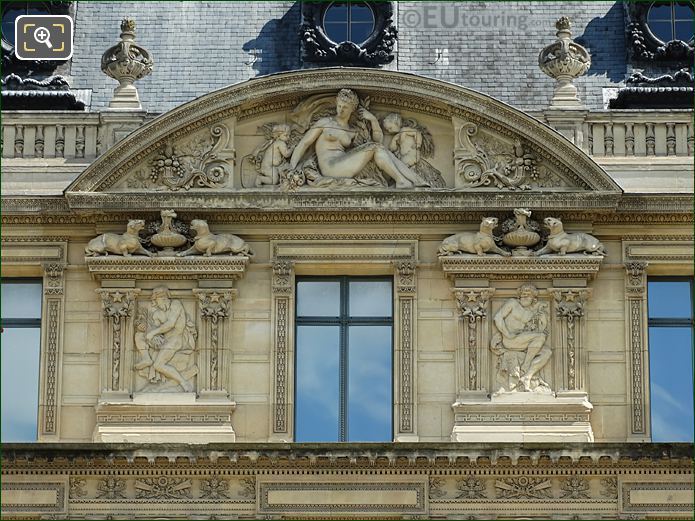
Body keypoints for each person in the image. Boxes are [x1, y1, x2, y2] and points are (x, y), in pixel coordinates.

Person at [289, 89, 427, 188]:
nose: (340, 110)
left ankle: (409, 179)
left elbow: (379, 146)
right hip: (330, 167)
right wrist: (291, 168)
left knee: (377, 148)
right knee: (374, 148)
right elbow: (303, 144)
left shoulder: (353, 131)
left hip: (345, 166)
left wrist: (373, 119)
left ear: (353, 109)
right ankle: (403, 180)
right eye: (339, 106)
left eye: (345, 107)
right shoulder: (325, 122)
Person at [491, 284, 551, 393]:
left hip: (521, 341)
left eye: (527, 295)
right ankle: (525, 366)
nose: (524, 296)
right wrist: (507, 334)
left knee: (547, 352)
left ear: (534, 299)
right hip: (510, 340)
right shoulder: (512, 303)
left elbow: (541, 329)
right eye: (523, 294)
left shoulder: (531, 313)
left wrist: (541, 314)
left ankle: (527, 377)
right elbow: (498, 317)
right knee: (540, 337)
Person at [145, 286, 196, 392]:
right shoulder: (158, 314)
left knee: (158, 365)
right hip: (167, 342)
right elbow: (157, 332)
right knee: (154, 359)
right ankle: (160, 384)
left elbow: (171, 324)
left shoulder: (176, 304)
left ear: (163, 298)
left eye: (156, 301)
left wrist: (153, 333)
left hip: (179, 339)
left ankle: (184, 383)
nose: (155, 304)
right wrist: (153, 338)